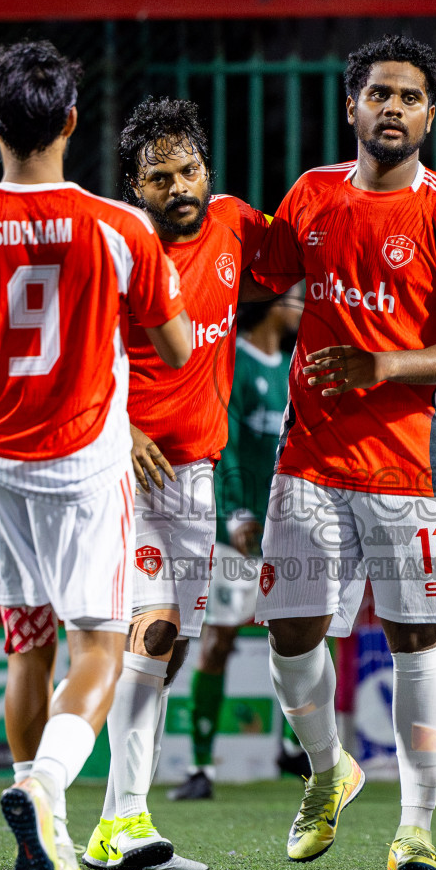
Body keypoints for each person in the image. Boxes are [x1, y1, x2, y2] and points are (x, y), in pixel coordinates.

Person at [0, 41, 192, 870]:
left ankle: (50, 833)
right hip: (84, 470)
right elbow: (176, 348)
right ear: (70, 120)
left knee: (26, 649)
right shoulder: (121, 228)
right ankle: (45, 786)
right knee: (98, 647)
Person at [244, 35, 436, 870]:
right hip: (310, 459)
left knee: (415, 643)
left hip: (412, 466)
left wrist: (382, 365)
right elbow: (255, 273)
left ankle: (415, 831)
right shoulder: (311, 195)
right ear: (350, 105)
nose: (393, 108)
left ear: (431, 115)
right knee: (290, 636)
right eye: (379, 93)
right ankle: (329, 770)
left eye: (410, 97)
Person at [84, 97, 266, 870]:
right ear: (135, 186)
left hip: (197, 477)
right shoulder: (115, 247)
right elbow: (67, 343)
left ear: (206, 169)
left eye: (188, 170)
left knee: (172, 649)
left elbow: (311, 260)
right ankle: (120, 818)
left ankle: (121, 822)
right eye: (159, 178)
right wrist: (122, 429)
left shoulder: (236, 224)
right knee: (153, 631)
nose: (179, 187)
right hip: (124, 472)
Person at [170, 288, 305, 802]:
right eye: (294, 299)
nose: (300, 307)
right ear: (272, 305)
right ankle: (200, 766)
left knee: (304, 633)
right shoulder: (235, 362)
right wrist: (234, 511)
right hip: (238, 526)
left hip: (289, 522)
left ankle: (295, 748)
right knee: (219, 640)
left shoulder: (292, 366)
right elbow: (221, 440)